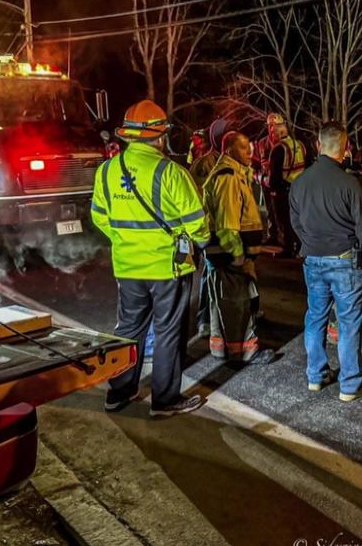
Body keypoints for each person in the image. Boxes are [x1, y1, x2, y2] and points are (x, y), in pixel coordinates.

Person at [91, 99, 210, 418]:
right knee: (169, 330)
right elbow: (197, 223)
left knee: (128, 328)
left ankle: (119, 392)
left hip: (127, 267)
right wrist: (201, 242)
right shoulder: (171, 172)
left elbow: (99, 218)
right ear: (158, 136)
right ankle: (165, 399)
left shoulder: (106, 171)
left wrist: (125, 241)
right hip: (167, 268)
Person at [289, 122, 362, 402]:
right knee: (349, 322)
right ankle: (350, 384)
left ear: (318, 146)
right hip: (345, 259)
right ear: (346, 147)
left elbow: (295, 222)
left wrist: (309, 244)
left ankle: (316, 375)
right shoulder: (351, 183)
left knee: (315, 316)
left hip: (313, 259)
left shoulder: (300, 182)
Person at [202, 131, 276, 365]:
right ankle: (243, 352)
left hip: (224, 253)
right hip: (230, 253)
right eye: (244, 148)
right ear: (229, 150)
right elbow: (227, 223)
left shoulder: (235, 174)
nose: (250, 152)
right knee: (238, 303)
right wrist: (237, 255)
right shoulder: (228, 176)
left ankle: (221, 348)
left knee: (222, 301)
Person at [189, 128, 220, 339]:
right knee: (209, 274)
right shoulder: (204, 164)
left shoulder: (222, 161)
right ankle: (204, 320)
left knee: (216, 274)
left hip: (217, 225)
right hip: (207, 225)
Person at [264, 113, 306, 257]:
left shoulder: (278, 149)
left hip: (283, 190)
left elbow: (274, 177)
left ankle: (288, 249)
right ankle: (299, 246)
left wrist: (262, 179)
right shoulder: (299, 144)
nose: (271, 133)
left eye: (272, 130)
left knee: (285, 221)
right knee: (297, 219)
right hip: (299, 189)